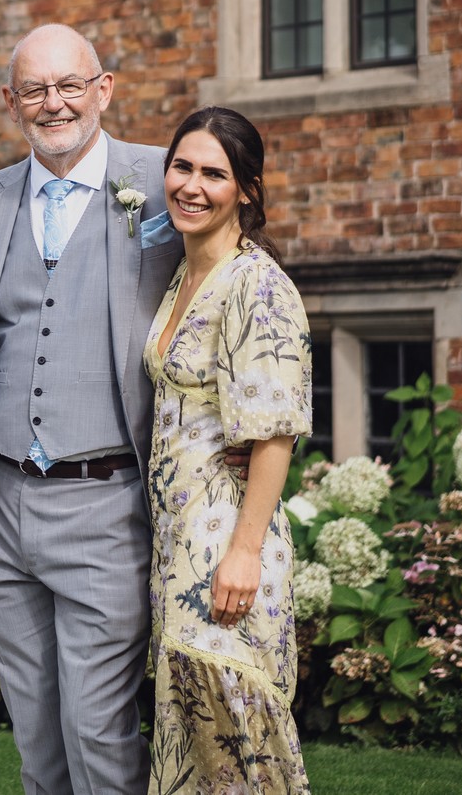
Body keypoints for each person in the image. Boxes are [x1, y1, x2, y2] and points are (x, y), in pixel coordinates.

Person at [0, 24, 181, 795]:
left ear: (103, 89)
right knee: (37, 738)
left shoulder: (166, 180)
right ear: (11, 103)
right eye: (35, 90)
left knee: (99, 731)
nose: (55, 103)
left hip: (107, 501)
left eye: (70, 84)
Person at [144, 107, 311, 793]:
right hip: (178, 540)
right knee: (193, 746)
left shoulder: (256, 284)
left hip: (226, 547)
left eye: (213, 173)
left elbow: (275, 430)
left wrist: (244, 552)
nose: (192, 185)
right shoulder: (183, 275)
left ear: (247, 189)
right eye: (181, 167)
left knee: (238, 746)